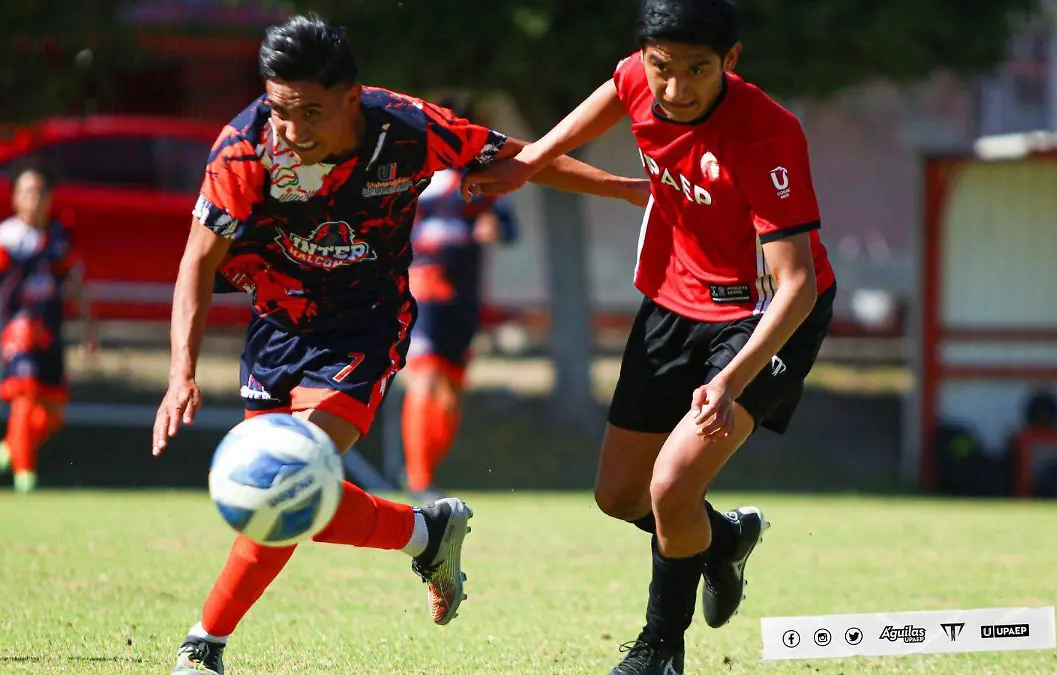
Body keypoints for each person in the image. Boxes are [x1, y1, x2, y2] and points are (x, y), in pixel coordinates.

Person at [149, 14, 648, 675]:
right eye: (279, 110)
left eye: (311, 112)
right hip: (275, 328)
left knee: (287, 478)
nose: (291, 131)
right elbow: (197, 261)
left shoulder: (407, 130)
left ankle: (203, 642)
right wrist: (180, 372)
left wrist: (629, 190)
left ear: (352, 97)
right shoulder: (244, 149)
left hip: (365, 325)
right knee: (291, 496)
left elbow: (521, 159)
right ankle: (426, 531)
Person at [463, 1, 837, 672]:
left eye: (697, 70)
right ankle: (723, 540)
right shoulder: (638, 78)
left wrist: (727, 381)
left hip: (762, 314)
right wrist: (533, 160)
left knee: (671, 486)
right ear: (644, 58)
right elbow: (611, 99)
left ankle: (660, 648)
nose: (676, 89)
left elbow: (797, 284)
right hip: (674, 300)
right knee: (619, 496)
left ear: (731, 60)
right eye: (662, 68)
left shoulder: (766, 134)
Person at [400, 95, 519, 504]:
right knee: (424, 376)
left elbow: (508, 228)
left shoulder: (486, 180)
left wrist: (495, 228)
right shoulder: (414, 175)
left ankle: (427, 469)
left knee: (451, 392)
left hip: (465, 296)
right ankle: (417, 478)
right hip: (425, 289)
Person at [0, 160, 98, 494]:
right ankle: (25, 475)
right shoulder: (4, 236)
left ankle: (5, 452)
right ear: (15, 197)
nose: (35, 198)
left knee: (54, 413)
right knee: (24, 398)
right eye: (27, 191)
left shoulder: (60, 236)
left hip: (51, 332)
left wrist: (88, 327)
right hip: (18, 332)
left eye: (41, 192)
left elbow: (76, 283)